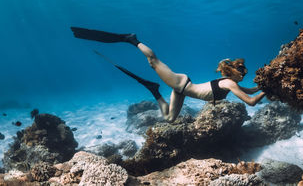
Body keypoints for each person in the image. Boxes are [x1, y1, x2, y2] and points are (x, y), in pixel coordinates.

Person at [71, 27, 266, 122]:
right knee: (153, 61)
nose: (244, 76)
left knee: (170, 119)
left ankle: (154, 90)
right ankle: (132, 40)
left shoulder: (231, 83)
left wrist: (263, 86)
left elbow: (250, 90)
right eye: (243, 73)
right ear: (235, 72)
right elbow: (251, 101)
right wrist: (268, 89)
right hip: (181, 84)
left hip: (182, 90)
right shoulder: (230, 84)